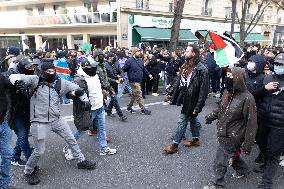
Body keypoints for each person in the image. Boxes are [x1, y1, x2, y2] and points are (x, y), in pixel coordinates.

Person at [9, 61, 96, 185]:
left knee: (71, 139)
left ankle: (81, 161)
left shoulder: (60, 83)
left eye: (53, 71)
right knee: (39, 151)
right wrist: (17, 82)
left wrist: (84, 100)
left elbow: (78, 89)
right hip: (39, 121)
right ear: (42, 72)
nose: (51, 73)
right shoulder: (35, 80)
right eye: (48, 71)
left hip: (56, 119)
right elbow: (14, 76)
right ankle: (28, 171)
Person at [203, 67, 258, 189]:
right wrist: (211, 116)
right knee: (231, 155)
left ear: (238, 78)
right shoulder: (227, 92)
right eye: (226, 75)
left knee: (220, 159)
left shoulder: (247, 98)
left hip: (234, 135)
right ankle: (243, 170)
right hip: (223, 131)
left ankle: (217, 183)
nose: (228, 78)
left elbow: (251, 123)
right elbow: (222, 109)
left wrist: (248, 145)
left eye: (231, 75)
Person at [63, 56, 117, 160]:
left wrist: (103, 92)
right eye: (92, 66)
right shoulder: (79, 79)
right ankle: (67, 147)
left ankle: (104, 148)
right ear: (85, 67)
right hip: (88, 110)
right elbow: (69, 94)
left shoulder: (95, 74)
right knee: (81, 130)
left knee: (102, 129)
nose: (94, 68)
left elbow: (97, 87)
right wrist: (74, 94)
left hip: (100, 106)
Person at [163, 45, 209, 154]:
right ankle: (196, 139)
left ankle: (174, 145)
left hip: (193, 99)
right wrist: (171, 92)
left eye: (187, 51)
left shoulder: (202, 69)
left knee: (182, 120)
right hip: (185, 96)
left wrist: (198, 107)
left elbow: (204, 91)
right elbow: (179, 81)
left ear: (193, 54)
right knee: (192, 118)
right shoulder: (185, 65)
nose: (185, 53)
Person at [256, 53, 284, 189]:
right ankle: (266, 165)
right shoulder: (267, 78)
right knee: (262, 144)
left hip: (279, 125)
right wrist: (264, 88)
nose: (279, 67)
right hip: (264, 121)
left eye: (282, 65)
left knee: (274, 152)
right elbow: (255, 96)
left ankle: (266, 183)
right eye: (277, 64)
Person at [0, 73, 19, 189]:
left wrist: (17, 81)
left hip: (2, 123)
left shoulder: (1, 78)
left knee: (7, 155)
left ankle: (5, 184)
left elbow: (11, 84)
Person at [123, 47, 153, 115]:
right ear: (134, 52)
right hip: (133, 81)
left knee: (134, 95)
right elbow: (123, 69)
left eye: (139, 51)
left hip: (139, 80)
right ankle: (143, 109)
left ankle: (129, 107)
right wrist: (121, 76)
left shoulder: (140, 60)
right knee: (139, 94)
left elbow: (143, 69)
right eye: (138, 51)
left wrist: (149, 75)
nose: (139, 53)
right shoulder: (129, 61)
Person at [104, 52, 127, 121]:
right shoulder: (105, 65)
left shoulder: (116, 63)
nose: (112, 59)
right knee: (115, 99)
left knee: (114, 99)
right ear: (107, 58)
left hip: (116, 84)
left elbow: (121, 71)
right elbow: (106, 77)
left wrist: (121, 77)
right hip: (109, 85)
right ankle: (121, 115)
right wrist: (115, 80)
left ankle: (108, 111)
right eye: (110, 58)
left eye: (112, 57)